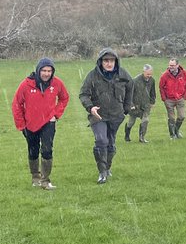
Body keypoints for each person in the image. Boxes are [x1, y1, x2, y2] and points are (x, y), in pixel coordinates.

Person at [12, 57, 70, 190]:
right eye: (44, 70)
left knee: (47, 150)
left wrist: (56, 114)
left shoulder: (57, 83)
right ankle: (35, 177)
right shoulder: (26, 85)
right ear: (38, 71)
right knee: (33, 151)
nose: (46, 73)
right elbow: (17, 104)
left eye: (49, 71)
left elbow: (64, 98)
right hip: (30, 124)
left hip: (48, 122)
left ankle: (45, 180)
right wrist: (21, 124)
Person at [78, 48, 132, 184]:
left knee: (111, 143)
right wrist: (90, 108)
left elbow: (131, 88)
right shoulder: (93, 75)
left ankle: (107, 168)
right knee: (101, 140)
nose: (109, 63)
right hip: (98, 116)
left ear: (116, 61)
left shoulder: (123, 74)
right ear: (100, 62)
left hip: (116, 115)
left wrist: (125, 108)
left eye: (112, 60)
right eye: (106, 61)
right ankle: (102, 172)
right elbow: (83, 94)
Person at [159, 57, 186, 139]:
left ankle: (176, 131)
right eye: (170, 65)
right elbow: (161, 87)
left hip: (180, 99)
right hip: (169, 99)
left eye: (173, 65)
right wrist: (164, 99)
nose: (171, 67)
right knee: (172, 118)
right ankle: (172, 135)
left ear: (177, 65)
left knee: (181, 116)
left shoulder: (184, 74)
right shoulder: (164, 75)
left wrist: (185, 96)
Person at [125, 63, 157, 144]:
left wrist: (152, 102)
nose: (149, 76)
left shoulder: (152, 81)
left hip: (146, 105)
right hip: (135, 106)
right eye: (147, 74)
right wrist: (131, 104)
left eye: (150, 74)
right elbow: (129, 94)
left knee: (145, 120)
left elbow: (153, 92)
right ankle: (127, 134)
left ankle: (142, 137)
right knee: (131, 122)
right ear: (143, 72)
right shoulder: (135, 81)